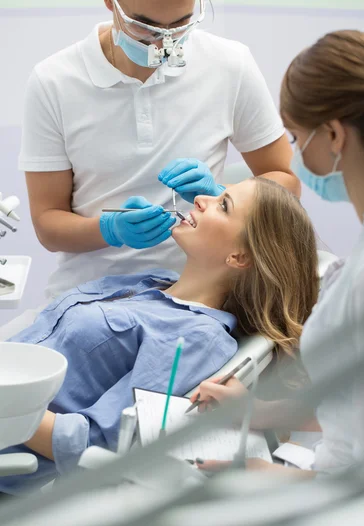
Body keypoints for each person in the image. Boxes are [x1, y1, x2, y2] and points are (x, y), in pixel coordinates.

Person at [0, 178, 318, 495]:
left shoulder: (198, 338)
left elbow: (91, 445)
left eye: (223, 205)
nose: (200, 200)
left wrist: (9, 404)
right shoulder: (151, 283)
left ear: (239, 257)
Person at [192, 30, 364, 477]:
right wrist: (259, 411)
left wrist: (256, 474)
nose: (292, 152)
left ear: (333, 135)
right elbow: (363, 402)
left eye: (294, 135)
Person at [18, 0, 299, 305]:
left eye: (180, 24)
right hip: (88, 299)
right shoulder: (54, 81)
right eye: (144, 27)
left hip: (197, 300)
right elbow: (48, 224)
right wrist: (109, 229)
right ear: (111, 3)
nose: (164, 42)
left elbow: (287, 182)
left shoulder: (231, 64)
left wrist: (222, 194)